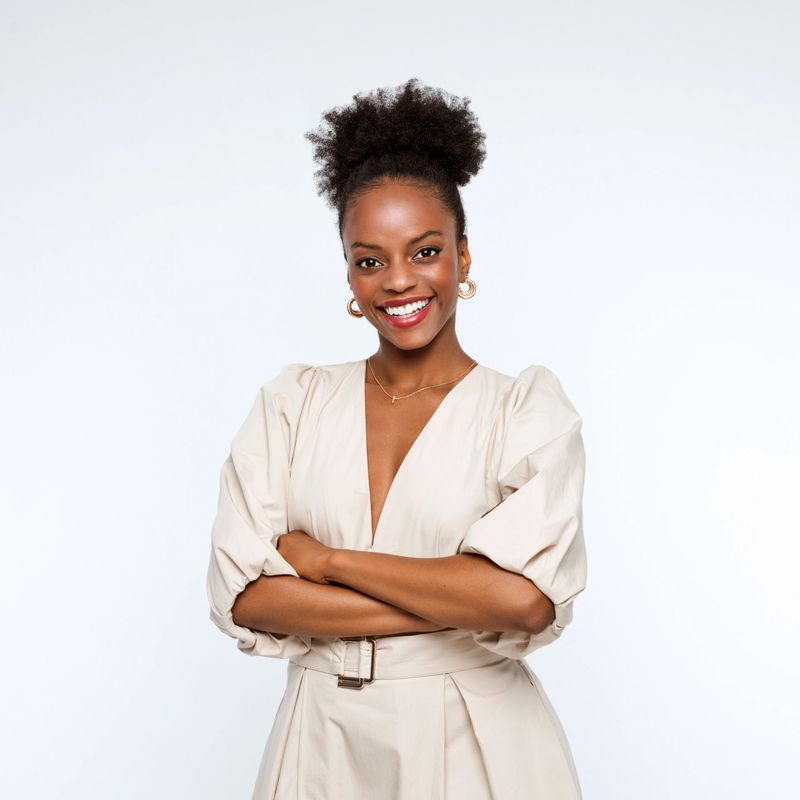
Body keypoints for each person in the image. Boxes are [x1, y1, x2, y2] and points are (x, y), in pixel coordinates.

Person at [206, 77, 588, 799]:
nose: (399, 282)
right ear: (349, 274)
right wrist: (462, 596)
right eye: (371, 259)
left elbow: (527, 603)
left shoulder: (525, 413)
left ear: (464, 259)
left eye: (426, 250)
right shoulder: (293, 405)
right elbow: (248, 597)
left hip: (480, 743)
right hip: (320, 741)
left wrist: (322, 560)